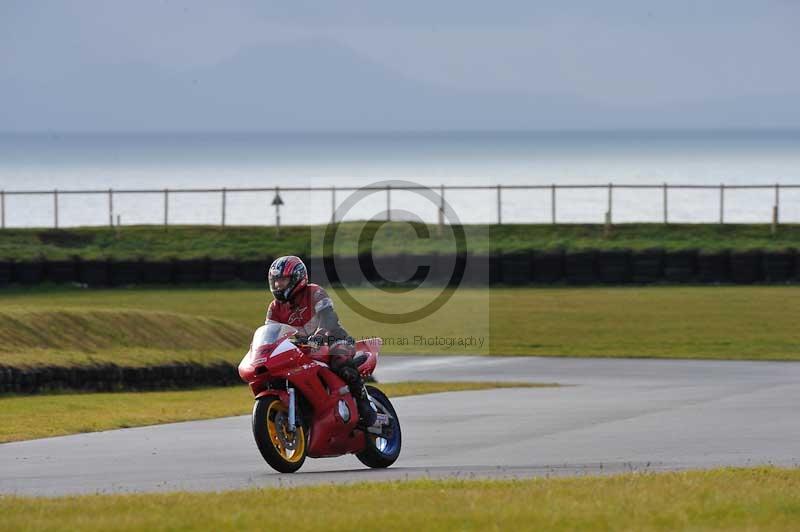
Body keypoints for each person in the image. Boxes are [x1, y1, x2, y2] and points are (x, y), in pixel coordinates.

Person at [265, 255, 376, 426]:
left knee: (341, 362)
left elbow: (329, 317)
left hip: (333, 339)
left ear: (297, 278)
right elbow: (270, 333)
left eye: (283, 280)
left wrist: (319, 335)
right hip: (302, 346)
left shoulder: (314, 291)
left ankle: (364, 403)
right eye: (276, 281)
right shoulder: (275, 307)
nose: (278, 285)